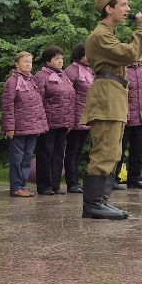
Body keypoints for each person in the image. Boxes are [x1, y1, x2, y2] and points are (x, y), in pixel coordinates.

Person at [81, 0, 142, 220]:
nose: (128, 9)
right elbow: (131, 53)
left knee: (113, 150)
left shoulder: (108, 33)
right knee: (104, 150)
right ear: (108, 8)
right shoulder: (101, 35)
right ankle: (93, 204)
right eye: (123, 5)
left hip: (114, 94)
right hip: (106, 96)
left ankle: (101, 201)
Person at [2, 50, 46, 197]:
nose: (28, 64)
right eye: (25, 61)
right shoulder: (12, 81)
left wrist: (41, 125)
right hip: (18, 128)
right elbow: (7, 106)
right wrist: (9, 127)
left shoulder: (31, 80)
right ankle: (15, 187)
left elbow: (37, 105)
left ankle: (22, 185)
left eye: (30, 62)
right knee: (17, 158)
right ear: (17, 64)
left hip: (32, 127)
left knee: (27, 158)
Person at [31, 45, 73, 196]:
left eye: (61, 58)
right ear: (47, 60)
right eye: (57, 58)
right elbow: (38, 100)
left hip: (62, 122)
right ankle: (44, 185)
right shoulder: (41, 76)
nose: (60, 61)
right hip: (47, 122)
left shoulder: (63, 76)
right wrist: (40, 121)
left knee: (58, 153)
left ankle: (55, 184)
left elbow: (69, 98)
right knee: (45, 153)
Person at [121, 55, 142, 187]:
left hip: (141, 117)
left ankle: (135, 179)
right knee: (120, 149)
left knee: (137, 149)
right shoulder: (122, 69)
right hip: (125, 117)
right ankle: (114, 179)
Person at [63, 44, 93, 194]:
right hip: (75, 116)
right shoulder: (71, 71)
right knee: (72, 150)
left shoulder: (90, 70)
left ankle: (76, 180)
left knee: (80, 151)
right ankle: (71, 182)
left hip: (87, 115)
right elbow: (68, 95)